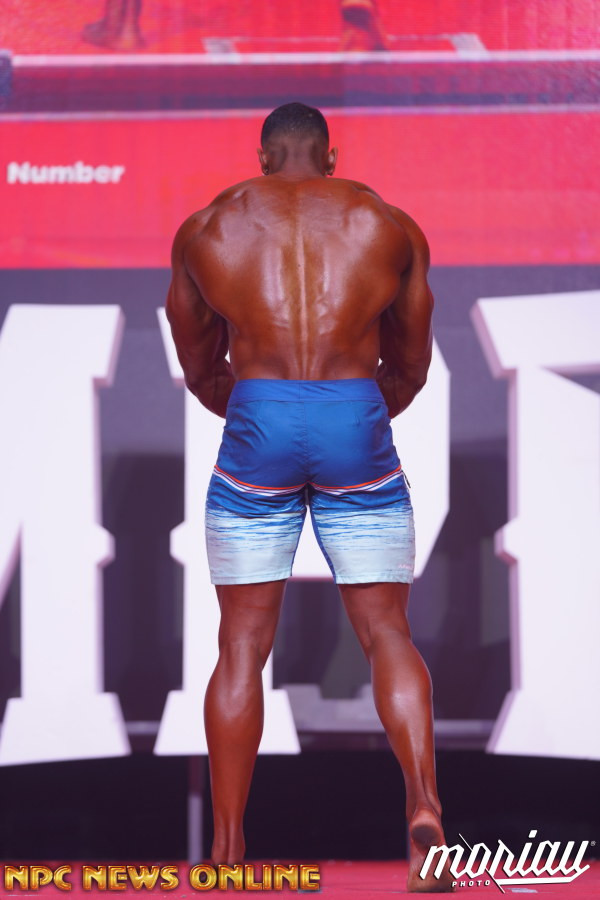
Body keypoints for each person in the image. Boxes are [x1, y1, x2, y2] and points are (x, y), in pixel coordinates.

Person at [166, 101, 453, 893]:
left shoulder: (209, 228)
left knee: (241, 645)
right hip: (353, 414)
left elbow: (198, 359)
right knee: (386, 630)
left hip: (258, 415)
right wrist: (356, 412)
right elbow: (413, 357)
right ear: (332, 156)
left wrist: (255, 408)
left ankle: (227, 855)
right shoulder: (386, 224)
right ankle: (424, 808)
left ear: (262, 157)